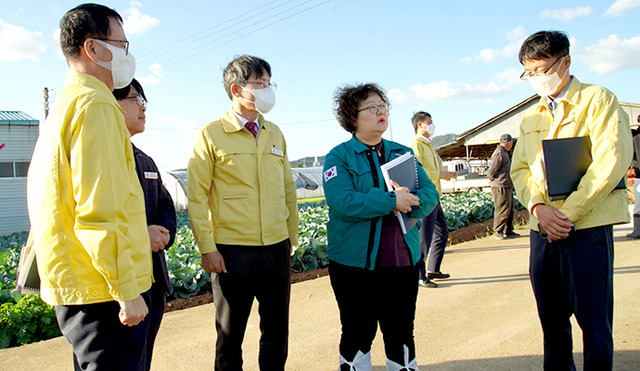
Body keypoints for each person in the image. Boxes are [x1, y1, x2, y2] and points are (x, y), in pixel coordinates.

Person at [26, 4, 153, 370]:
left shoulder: (66, 104)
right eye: (122, 45)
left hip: (80, 284)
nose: (128, 56)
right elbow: (101, 208)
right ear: (93, 48)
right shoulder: (96, 104)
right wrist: (126, 291)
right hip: (102, 291)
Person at [511, 30, 632, 370]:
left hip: (586, 227)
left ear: (565, 62)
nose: (536, 78)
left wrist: (567, 215)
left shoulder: (598, 100)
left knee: (594, 324)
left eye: (541, 70)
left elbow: (610, 162)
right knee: (552, 324)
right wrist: (538, 208)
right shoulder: (532, 116)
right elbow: (520, 169)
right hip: (543, 230)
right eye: (528, 73)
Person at [187, 55, 298, 370]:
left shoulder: (274, 132)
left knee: (277, 332)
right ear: (237, 89)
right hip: (232, 252)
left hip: (275, 248)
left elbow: (288, 188)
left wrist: (291, 236)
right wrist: (207, 248)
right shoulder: (210, 134)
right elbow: (196, 196)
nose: (267, 89)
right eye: (260, 83)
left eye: (269, 83)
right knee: (230, 334)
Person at [323, 83, 438, 370]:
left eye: (382, 105)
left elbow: (429, 194)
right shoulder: (339, 157)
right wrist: (391, 201)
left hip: (402, 260)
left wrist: (407, 201)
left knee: (400, 332)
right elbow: (343, 202)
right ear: (352, 117)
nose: (380, 111)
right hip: (354, 264)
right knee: (357, 332)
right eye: (371, 107)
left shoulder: (403, 153)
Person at [113, 78, 177, 370]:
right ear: (110, 105)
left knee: (142, 360)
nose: (142, 107)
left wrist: (164, 235)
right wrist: (142, 236)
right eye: (134, 99)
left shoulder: (145, 159)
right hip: (119, 286)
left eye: (143, 101)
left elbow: (166, 203)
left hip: (151, 279)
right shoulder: (104, 157)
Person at [409, 111, 456, 288]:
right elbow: (418, 172)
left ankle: (433, 269)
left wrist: (441, 174)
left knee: (442, 232)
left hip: (434, 196)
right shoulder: (416, 145)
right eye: (429, 122)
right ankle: (420, 275)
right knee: (424, 237)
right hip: (426, 197)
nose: (432, 124)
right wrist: (440, 174)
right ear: (420, 124)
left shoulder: (428, 145)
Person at [487, 133, 518, 240]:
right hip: (500, 185)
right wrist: (490, 177)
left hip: (507, 184)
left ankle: (508, 230)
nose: (512, 144)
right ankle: (498, 231)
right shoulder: (499, 153)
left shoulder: (505, 152)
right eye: (511, 142)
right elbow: (493, 168)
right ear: (508, 142)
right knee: (502, 208)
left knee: (510, 208)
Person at [626, 124, 640, 238]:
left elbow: (632, 157)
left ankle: (637, 231)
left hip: (639, 175)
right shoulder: (635, 138)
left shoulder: (635, 138)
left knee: (638, 205)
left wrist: (634, 165)